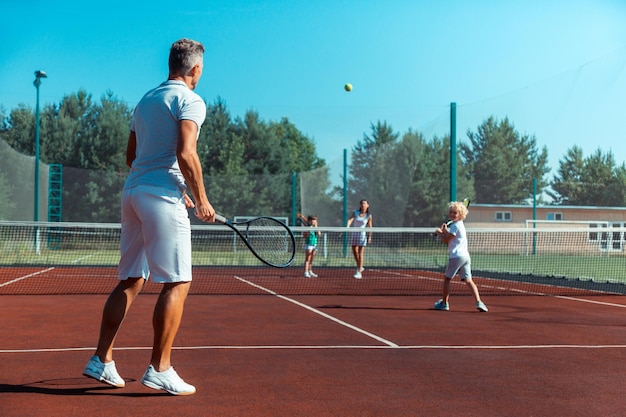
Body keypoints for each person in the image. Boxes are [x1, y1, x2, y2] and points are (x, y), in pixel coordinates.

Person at [83, 38, 216, 396]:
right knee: (177, 282)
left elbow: (132, 156)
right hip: (159, 195)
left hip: (133, 191)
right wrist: (202, 199)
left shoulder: (146, 99)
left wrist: (179, 189)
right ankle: (160, 368)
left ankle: (101, 360)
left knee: (131, 279)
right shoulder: (191, 100)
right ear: (195, 69)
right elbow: (186, 153)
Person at [433, 201, 488, 312]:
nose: (452, 214)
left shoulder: (455, 225)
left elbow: (446, 240)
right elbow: (450, 236)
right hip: (465, 257)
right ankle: (479, 302)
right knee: (468, 280)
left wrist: (439, 233)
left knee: (447, 279)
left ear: (461, 214)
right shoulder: (459, 224)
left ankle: (444, 303)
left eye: (455, 213)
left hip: (457, 256)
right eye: (451, 212)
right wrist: (444, 231)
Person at [346, 199, 373, 279]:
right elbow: (350, 219)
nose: (363, 205)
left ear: (368, 205)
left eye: (364, 203)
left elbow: (370, 227)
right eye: (361, 203)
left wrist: (370, 237)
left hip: (362, 234)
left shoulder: (369, 215)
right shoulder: (355, 212)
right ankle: (360, 266)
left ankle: (359, 272)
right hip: (354, 233)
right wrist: (347, 227)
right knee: (354, 251)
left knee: (361, 253)